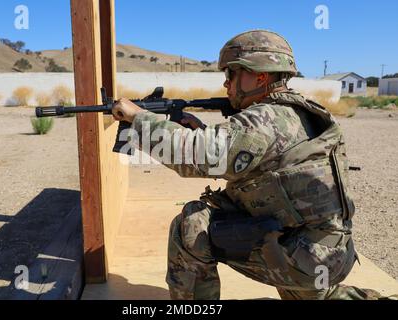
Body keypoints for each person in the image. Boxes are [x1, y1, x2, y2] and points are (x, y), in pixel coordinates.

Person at [112, 30, 392, 300]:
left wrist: (138, 118)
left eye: (231, 74)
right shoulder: (300, 111)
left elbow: (197, 157)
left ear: (258, 76)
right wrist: (199, 129)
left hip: (301, 256)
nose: (226, 84)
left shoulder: (265, 118)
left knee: (192, 224)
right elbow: (252, 156)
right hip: (328, 253)